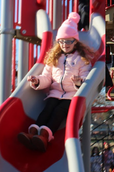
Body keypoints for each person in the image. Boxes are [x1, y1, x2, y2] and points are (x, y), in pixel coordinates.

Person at [17, 12, 93, 152]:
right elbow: (46, 78)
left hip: (71, 95)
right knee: (47, 109)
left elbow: (86, 77)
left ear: (75, 41)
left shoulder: (81, 59)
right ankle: (33, 133)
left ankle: (45, 136)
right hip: (55, 92)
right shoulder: (54, 58)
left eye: (68, 41)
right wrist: (37, 80)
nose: (65, 44)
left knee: (58, 112)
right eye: (61, 41)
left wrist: (79, 82)